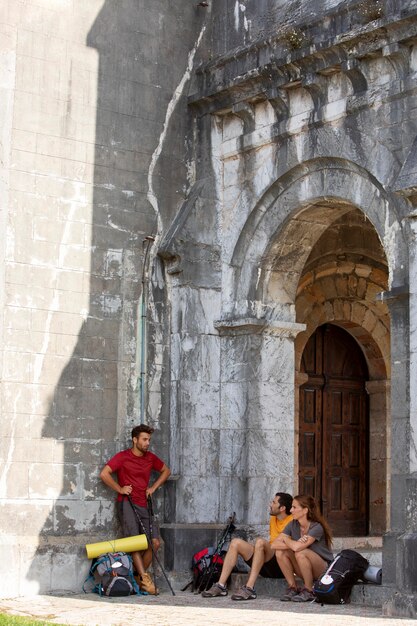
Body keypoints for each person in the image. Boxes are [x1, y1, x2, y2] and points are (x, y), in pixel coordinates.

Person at [100, 424, 171, 595]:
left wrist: (152, 488)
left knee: (154, 543)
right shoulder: (123, 457)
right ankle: (145, 579)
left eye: (149, 440)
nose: (148, 443)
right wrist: (120, 489)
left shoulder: (150, 458)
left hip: (145, 504)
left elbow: (166, 471)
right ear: (135, 440)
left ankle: (136, 577)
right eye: (144, 440)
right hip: (128, 503)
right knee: (134, 544)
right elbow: (104, 474)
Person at [202, 492, 293, 601]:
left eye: (273, 502)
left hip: (280, 565)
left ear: (282, 508)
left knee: (260, 542)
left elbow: (287, 546)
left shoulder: (292, 521)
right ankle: (221, 585)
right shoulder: (274, 518)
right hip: (268, 561)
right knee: (235, 542)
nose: (270, 504)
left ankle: (249, 588)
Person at [274, 494, 333, 602]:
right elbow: (274, 544)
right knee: (280, 552)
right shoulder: (293, 524)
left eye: (294, 507)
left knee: (301, 553)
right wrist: (291, 543)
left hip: (323, 570)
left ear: (305, 510)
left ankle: (309, 590)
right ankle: (293, 587)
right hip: (305, 567)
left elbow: (297, 548)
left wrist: (286, 539)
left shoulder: (316, 527)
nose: (291, 510)